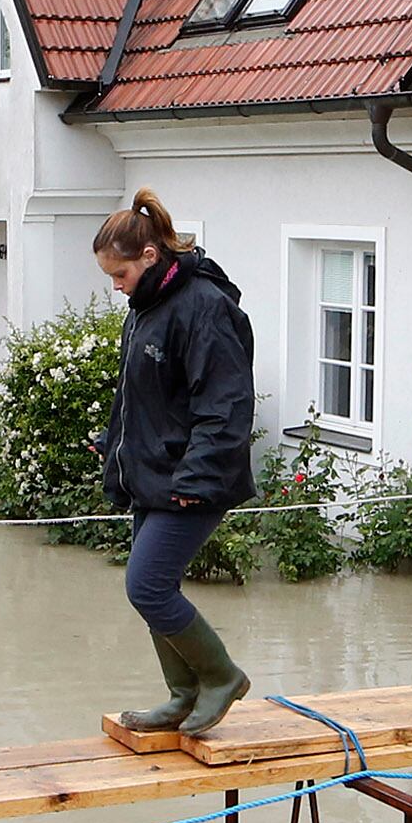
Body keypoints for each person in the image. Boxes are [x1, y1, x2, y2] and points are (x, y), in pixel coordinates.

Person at [94, 191, 256, 735]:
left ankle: (222, 677)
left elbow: (226, 405)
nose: (116, 286)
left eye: (120, 274)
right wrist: (114, 442)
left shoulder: (204, 307)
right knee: (153, 590)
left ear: (149, 256)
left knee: (147, 586)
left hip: (193, 481)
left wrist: (196, 477)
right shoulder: (145, 309)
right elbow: (143, 396)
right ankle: (183, 695)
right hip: (152, 477)